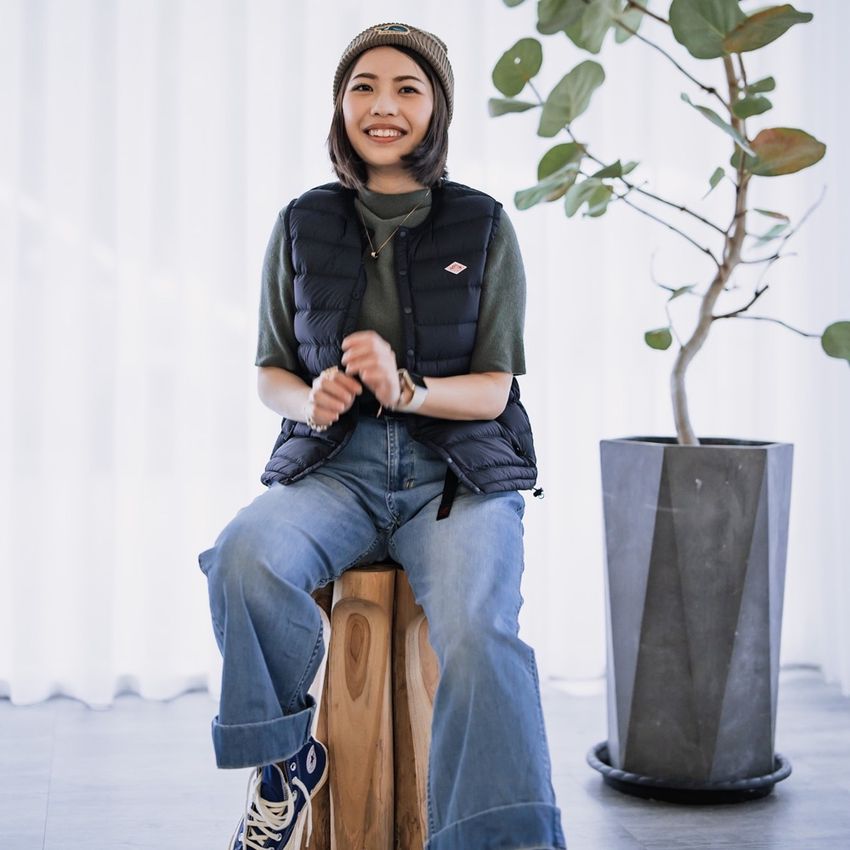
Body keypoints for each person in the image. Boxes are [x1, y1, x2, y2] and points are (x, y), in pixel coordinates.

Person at [197, 21, 567, 850]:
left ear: (437, 109)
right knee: (243, 558)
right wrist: (312, 399)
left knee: (480, 631)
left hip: (455, 479)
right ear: (340, 106)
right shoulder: (302, 222)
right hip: (338, 469)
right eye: (363, 86)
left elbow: (494, 389)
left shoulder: (483, 224)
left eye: (407, 88)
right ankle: (284, 764)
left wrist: (409, 390)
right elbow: (271, 371)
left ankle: (498, 841)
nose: (383, 105)